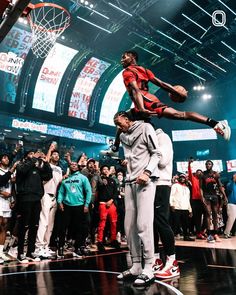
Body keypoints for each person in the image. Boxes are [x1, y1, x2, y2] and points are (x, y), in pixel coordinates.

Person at [110, 50, 230, 153]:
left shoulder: (127, 72)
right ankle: (115, 148)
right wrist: (176, 92)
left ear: (132, 58)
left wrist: (141, 108)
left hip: (146, 101)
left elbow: (136, 90)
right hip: (143, 101)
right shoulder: (145, 70)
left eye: (124, 57)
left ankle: (216, 124)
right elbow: (162, 84)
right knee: (121, 120)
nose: (121, 60)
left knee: (179, 115)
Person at [114, 111, 160, 287]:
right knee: (129, 226)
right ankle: (136, 266)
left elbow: (156, 154)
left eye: (119, 123)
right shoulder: (124, 135)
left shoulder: (146, 127)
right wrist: (128, 163)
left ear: (127, 118)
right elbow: (131, 155)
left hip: (146, 181)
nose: (118, 127)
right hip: (129, 181)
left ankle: (149, 267)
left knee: (143, 224)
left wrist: (147, 172)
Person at [152, 129, 180, 279]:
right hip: (150, 185)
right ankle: (156, 260)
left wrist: (150, 150)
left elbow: (162, 161)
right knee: (151, 224)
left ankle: (172, 262)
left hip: (161, 184)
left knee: (161, 222)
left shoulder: (162, 137)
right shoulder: (149, 137)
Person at [16, 150, 52, 263]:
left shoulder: (37, 168)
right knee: (23, 226)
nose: (34, 156)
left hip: (37, 199)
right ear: (27, 156)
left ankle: (30, 252)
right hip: (25, 198)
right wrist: (33, 159)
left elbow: (48, 176)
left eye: (35, 154)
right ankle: (20, 253)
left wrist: (46, 163)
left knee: (34, 226)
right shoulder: (21, 164)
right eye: (31, 154)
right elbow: (22, 171)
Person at [57, 161, 92, 257]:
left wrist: (86, 204)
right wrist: (59, 201)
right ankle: (60, 247)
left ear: (78, 167)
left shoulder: (82, 178)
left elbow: (89, 191)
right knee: (63, 228)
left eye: (75, 164)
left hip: (79, 206)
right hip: (67, 206)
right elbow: (61, 191)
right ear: (69, 167)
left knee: (79, 228)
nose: (73, 165)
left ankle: (77, 248)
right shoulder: (66, 178)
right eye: (71, 164)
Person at [35, 144, 63, 258]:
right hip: (46, 194)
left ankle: (46, 247)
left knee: (50, 225)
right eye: (54, 154)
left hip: (55, 197)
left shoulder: (60, 169)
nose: (56, 156)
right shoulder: (46, 165)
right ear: (50, 156)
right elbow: (45, 162)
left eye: (57, 155)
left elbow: (60, 182)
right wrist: (50, 150)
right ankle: (38, 247)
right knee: (44, 222)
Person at [201, 160, 227, 243]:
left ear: (212, 165)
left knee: (215, 214)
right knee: (208, 214)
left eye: (209, 164)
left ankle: (215, 234)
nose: (208, 165)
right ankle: (209, 235)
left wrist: (224, 196)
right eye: (207, 164)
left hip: (214, 196)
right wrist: (202, 197)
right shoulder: (203, 174)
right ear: (205, 165)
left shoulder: (216, 174)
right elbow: (200, 187)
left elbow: (220, 186)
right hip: (206, 196)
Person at [169, 174, 195, 241]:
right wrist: (171, 204)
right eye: (181, 178)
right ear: (179, 178)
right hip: (177, 207)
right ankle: (170, 238)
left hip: (185, 208)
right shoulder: (175, 185)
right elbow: (171, 195)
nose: (182, 179)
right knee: (175, 224)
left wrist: (190, 210)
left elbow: (188, 199)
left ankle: (186, 236)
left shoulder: (187, 188)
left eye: (184, 178)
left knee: (185, 224)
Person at [188, 159, 206, 240]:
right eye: (198, 172)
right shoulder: (193, 179)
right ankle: (198, 233)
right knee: (197, 218)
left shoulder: (204, 181)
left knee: (207, 215)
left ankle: (202, 231)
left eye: (200, 172)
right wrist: (189, 164)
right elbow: (189, 172)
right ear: (196, 174)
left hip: (204, 201)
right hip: (195, 200)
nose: (199, 173)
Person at [224, 173, 236, 238]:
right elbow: (229, 189)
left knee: (233, 219)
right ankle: (226, 232)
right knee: (231, 218)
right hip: (231, 204)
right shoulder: (230, 183)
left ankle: (228, 232)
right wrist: (233, 180)